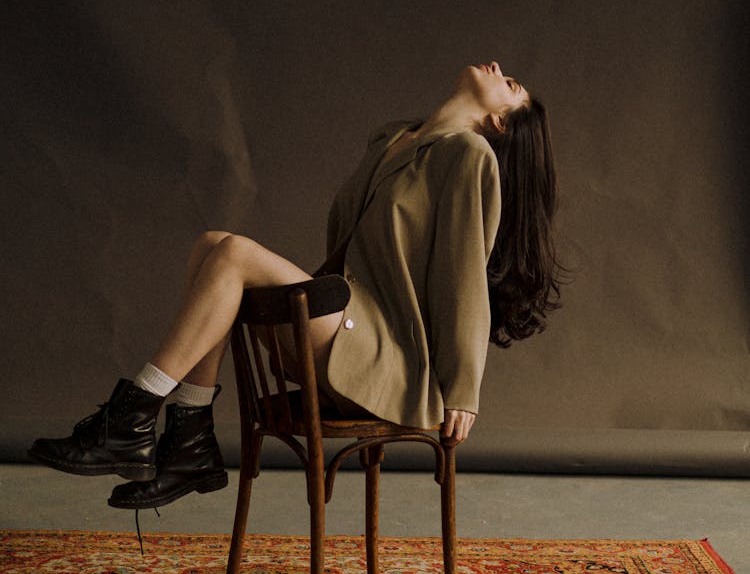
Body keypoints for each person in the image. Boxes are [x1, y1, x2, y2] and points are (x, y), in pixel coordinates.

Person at [29, 61, 564, 512]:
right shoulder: (394, 140)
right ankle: (189, 437)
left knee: (235, 254)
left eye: (511, 84)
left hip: (384, 355)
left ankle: (132, 415)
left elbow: (463, 274)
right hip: (341, 323)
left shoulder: (470, 159)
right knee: (211, 244)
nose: (498, 68)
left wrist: (463, 388)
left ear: (497, 121)